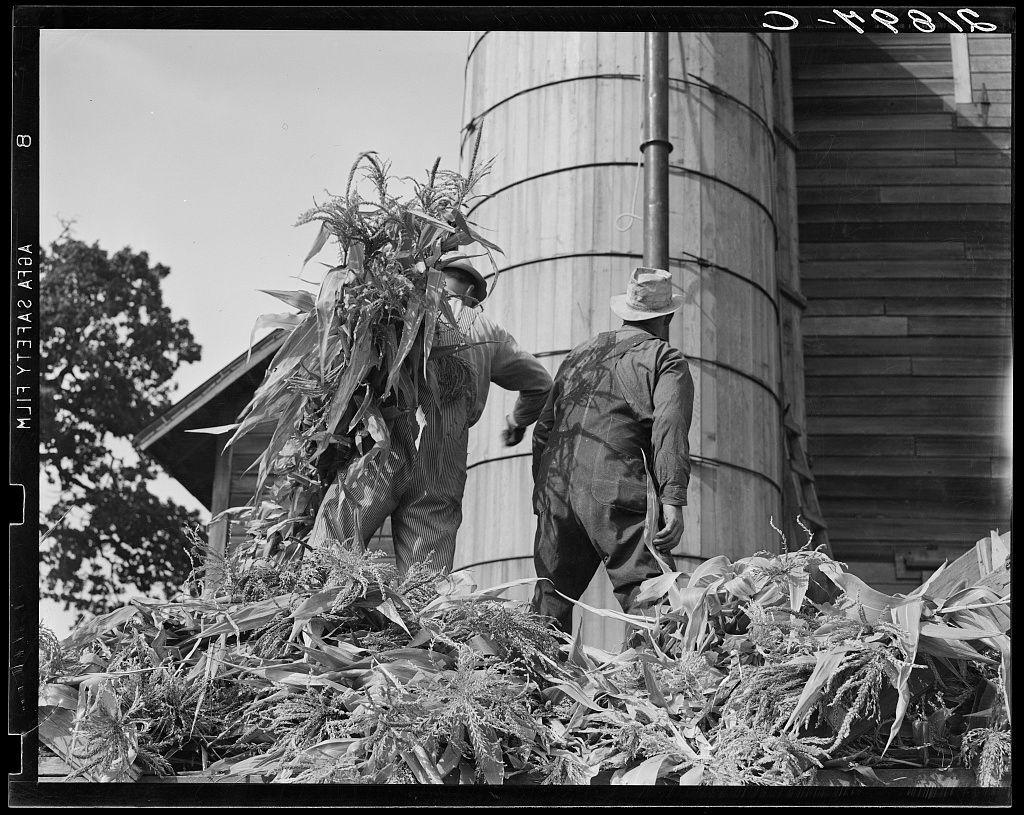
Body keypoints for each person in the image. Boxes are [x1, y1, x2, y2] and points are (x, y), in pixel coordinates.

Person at [311, 255, 553, 576]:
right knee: (425, 579)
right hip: (444, 458)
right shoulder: (487, 329)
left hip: (388, 444)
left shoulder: (400, 306)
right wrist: (517, 422)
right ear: (470, 293)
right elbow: (542, 384)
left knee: (332, 547)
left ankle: (314, 613)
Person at [530, 267, 695, 634]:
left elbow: (543, 430)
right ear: (666, 317)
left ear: (626, 311)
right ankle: (659, 684)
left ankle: (529, 686)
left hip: (557, 494)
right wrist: (673, 499)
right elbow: (668, 428)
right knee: (653, 597)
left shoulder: (579, 356)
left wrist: (543, 497)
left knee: (549, 605)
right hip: (615, 487)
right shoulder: (664, 358)